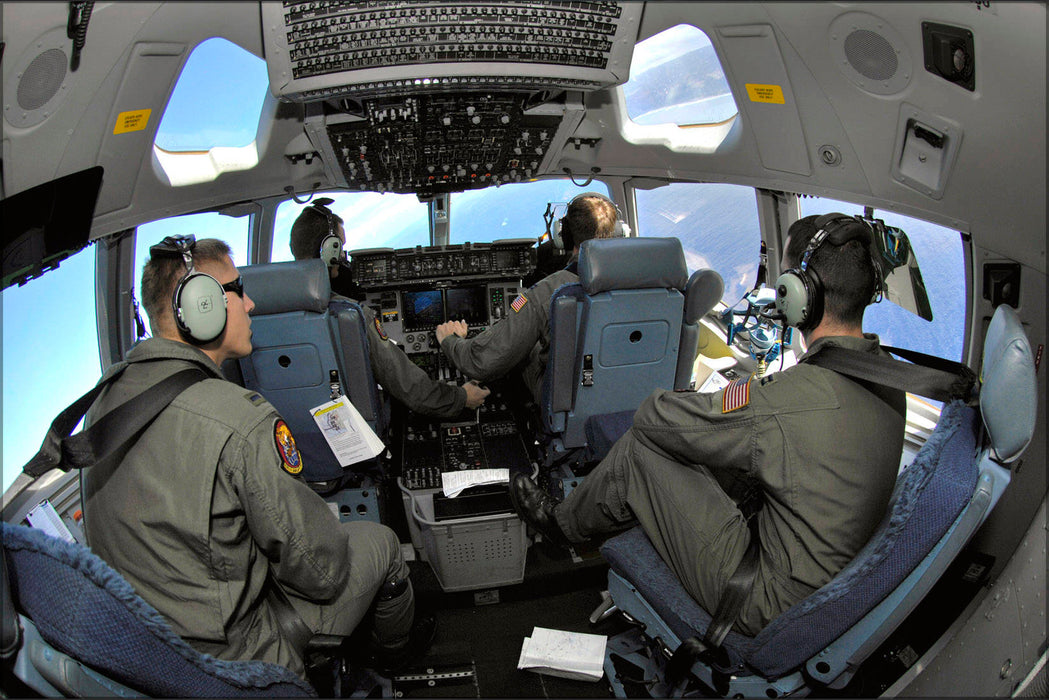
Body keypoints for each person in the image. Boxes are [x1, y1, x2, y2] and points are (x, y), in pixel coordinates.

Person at [509, 214, 907, 636]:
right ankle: (614, 509)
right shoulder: (889, 376)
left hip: (765, 601)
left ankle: (563, 526)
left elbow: (654, 420)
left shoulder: (792, 398)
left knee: (643, 449)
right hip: (825, 585)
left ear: (799, 293)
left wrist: (672, 400)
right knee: (709, 458)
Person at [81, 236, 430, 680]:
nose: (250, 305)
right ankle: (394, 655)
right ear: (202, 304)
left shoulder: (104, 406)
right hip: (241, 655)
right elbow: (322, 571)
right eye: (237, 289)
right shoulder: (238, 419)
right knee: (381, 542)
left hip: (149, 657)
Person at [290, 200, 489, 418]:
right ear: (329, 249)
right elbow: (408, 387)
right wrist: (461, 397)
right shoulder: (351, 315)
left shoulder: (260, 309)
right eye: (341, 247)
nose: (342, 256)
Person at [434, 193, 621, 401]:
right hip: (625, 392)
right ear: (617, 232)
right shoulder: (646, 276)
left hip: (571, 402)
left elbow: (482, 362)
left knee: (525, 347)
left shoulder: (548, 291)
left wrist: (450, 341)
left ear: (564, 234)